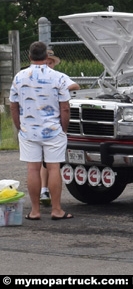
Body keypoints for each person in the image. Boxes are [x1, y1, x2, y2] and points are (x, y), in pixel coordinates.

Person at [9, 41, 74, 220]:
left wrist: (19, 126)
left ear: (29, 57)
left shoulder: (19, 77)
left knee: (33, 169)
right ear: (47, 57)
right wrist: (64, 128)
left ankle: (35, 211)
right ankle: (56, 209)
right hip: (53, 129)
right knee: (54, 168)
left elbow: (13, 106)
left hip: (28, 130)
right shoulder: (59, 77)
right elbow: (65, 108)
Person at [39, 49, 80, 206]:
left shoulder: (59, 77)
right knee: (43, 161)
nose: (48, 64)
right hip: (42, 123)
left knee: (51, 161)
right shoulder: (37, 78)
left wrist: (62, 89)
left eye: (51, 62)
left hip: (54, 122)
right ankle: (44, 190)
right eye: (46, 61)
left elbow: (75, 85)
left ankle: (47, 194)